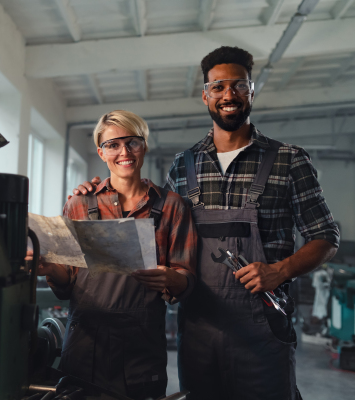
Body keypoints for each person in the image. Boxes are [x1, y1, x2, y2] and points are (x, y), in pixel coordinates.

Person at [72, 46, 340, 399]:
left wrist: (281, 270)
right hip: (198, 330)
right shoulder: (182, 167)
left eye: (238, 85)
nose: (228, 94)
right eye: (218, 87)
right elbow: (159, 236)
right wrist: (96, 192)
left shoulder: (289, 160)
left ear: (251, 91)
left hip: (262, 328)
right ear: (205, 95)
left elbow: (326, 236)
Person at [27, 110, 197, 400]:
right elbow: (67, 279)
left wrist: (170, 277)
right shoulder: (79, 203)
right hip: (84, 344)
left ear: (144, 146)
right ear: (101, 152)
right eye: (113, 145)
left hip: (141, 349)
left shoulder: (172, 206)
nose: (124, 152)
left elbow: (186, 280)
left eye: (132, 142)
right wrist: (47, 267)